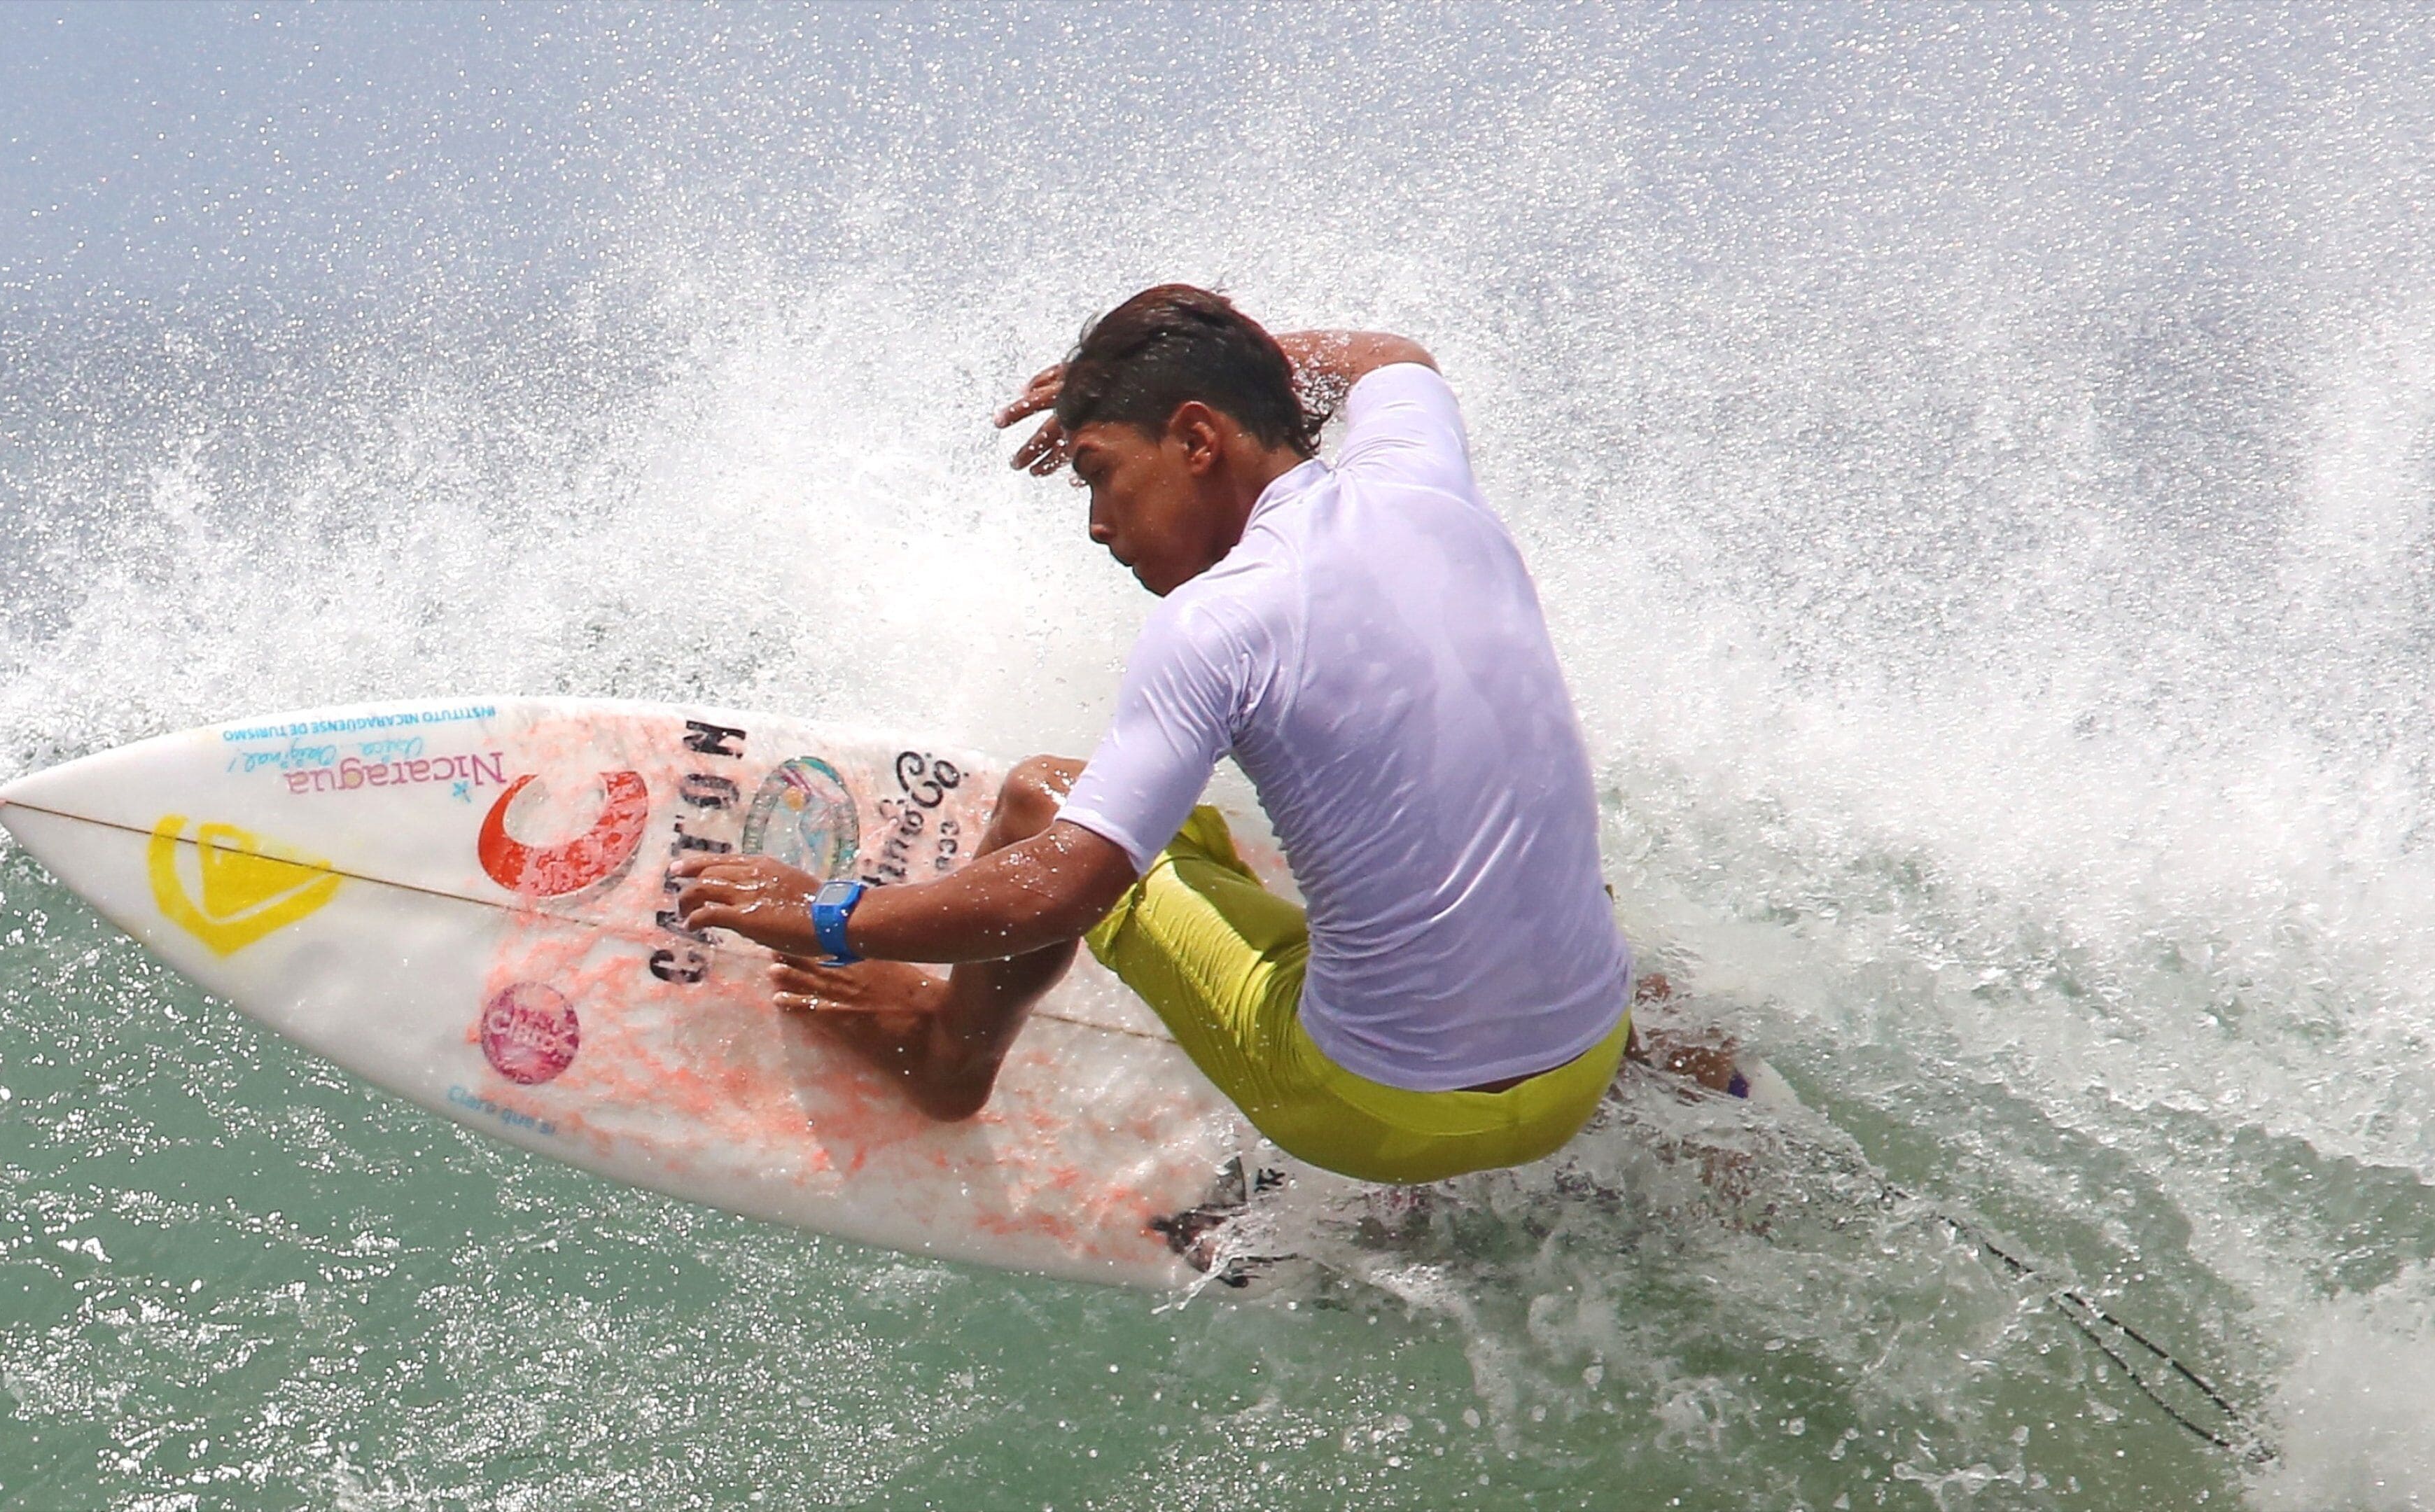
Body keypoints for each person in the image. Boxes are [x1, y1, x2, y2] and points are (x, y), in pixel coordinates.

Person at [674, 284, 1724, 1184]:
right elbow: (1391, 359)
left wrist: (831, 914)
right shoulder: (1424, 477)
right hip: (1577, 1071)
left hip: (1377, 1111)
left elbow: (1067, 883)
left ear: (1196, 438)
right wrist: (1219, 363)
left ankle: (950, 1057)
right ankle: (1639, 1058)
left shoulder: (1220, 621)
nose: (1097, 524)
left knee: (1047, 798)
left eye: (1096, 472)